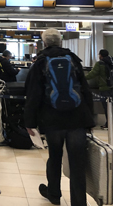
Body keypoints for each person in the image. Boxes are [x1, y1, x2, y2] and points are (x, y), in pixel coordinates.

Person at [24, 28, 94, 206]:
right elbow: (85, 90)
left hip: (52, 119)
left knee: (54, 157)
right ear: (61, 41)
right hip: (76, 118)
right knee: (77, 162)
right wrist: (90, 119)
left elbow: (33, 94)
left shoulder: (40, 62)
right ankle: (79, 202)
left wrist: (30, 122)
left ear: (44, 43)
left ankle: (54, 194)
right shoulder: (73, 60)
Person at [85, 49, 113, 130]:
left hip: (104, 88)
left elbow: (92, 74)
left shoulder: (100, 64)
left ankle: (108, 124)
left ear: (101, 55)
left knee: (107, 107)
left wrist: (82, 78)